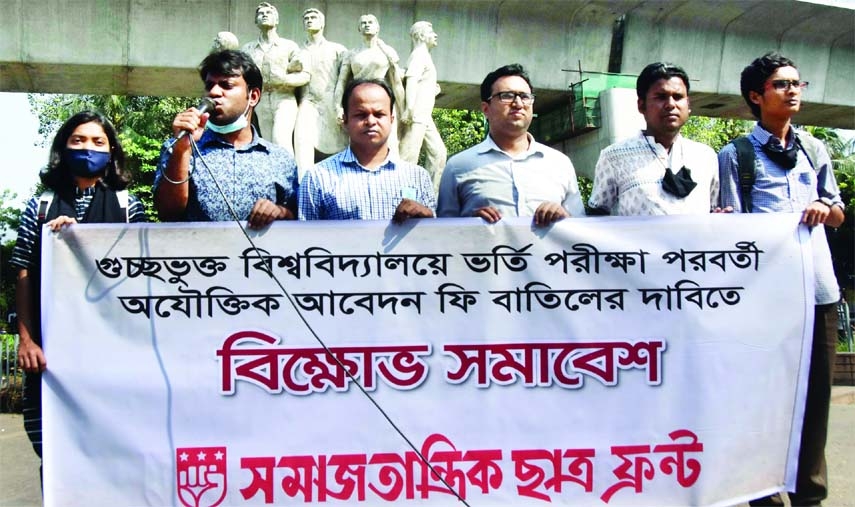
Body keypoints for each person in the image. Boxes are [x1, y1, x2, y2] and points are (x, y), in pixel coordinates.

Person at [719, 52, 845, 507]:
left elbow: (837, 213)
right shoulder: (735, 155)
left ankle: (809, 494)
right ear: (756, 96)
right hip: (764, 302)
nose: (793, 91)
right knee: (765, 401)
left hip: (818, 293)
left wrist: (824, 210)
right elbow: (730, 228)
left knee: (815, 404)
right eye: (781, 85)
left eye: (797, 83)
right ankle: (764, 495)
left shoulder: (815, 148)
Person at [10, 111, 147, 466]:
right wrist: (26, 341)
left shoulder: (128, 206)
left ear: (112, 151)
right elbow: (23, 272)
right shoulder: (39, 207)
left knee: (111, 451)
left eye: (98, 142)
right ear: (63, 148)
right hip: (51, 354)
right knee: (54, 453)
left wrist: (84, 240)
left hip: (111, 353)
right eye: (79, 141)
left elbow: (140, 272)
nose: (89, 148)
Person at [154, 49, 298, 228]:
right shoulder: (179, 147)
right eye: (209, 85)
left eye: (226, 85)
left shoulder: (279, 158)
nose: (214, 92)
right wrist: (183, 150)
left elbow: (299, 221)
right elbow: (167, 213)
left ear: (253, 97)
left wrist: (281, 212)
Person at [436, 63, 585, 226]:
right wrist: (470, 225)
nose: (518, 103)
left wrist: (564, 217)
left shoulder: (559, 163)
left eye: (525, 96)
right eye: (506, 96)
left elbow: (581, 227)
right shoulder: (458, 166)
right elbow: (443, 231)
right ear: (486, 109)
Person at [588, 62, 720, 215]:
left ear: (688, 105)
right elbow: (596, 217)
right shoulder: (613, 157)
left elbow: (715, 213)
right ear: (641, 105)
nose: (671, 104)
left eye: (678, 97)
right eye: (661, 97)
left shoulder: (705, 156)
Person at [299, 79, 435, 222]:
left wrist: (428, 219)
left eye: (379, 114)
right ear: (345, 121)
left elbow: (432, 239)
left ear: (391, 119)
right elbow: (305, 239)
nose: (370, 121)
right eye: (361, 115)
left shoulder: (418, 177)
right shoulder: (318, 178)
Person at [240, 2, 307, 153]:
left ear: (276, 21)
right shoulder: (247, 49)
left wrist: (284, 80)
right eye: (260, 14)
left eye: (268, 13)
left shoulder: (289, 46)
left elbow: (304, 75)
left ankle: (290, 176)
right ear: (256, 21)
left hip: (283, 98)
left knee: (281, 140)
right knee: (267, 144)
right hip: (261, 101)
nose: (264, 15)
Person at [333, 14, 406, 147]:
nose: (367, 25)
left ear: (377, 28)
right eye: (363, 23)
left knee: (389, 145)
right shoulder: (351, 54)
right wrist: (338, 107)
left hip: (382, 101)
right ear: (359, 29)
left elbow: (396, 83)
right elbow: (341, 82)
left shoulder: (388, 52)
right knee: (358, 144)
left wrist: (404, 110)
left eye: (370, 22)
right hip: (358, 101)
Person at [293, 7, 348, 178]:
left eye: (314, 17)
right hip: (307, 101)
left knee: (342, 145)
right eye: (306, 18)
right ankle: (304, 187)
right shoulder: (297, 52)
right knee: (302, 141)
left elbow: (347, 79)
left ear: (323, 23)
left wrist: (342, 106)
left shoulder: (338, 49)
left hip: (331, 100)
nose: (309, 20)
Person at [399, 21, 447, 188]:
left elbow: (419, 83)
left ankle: (431, 200)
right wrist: (409, 109)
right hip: (416, 115)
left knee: (439, 154)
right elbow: (411, 81)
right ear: (421, 35)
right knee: (408, 158)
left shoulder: (425, 56)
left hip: (425, 116)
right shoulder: (419, 55)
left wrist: (431, 90)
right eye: (431, 31)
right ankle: (401, 198)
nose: (435, 35)